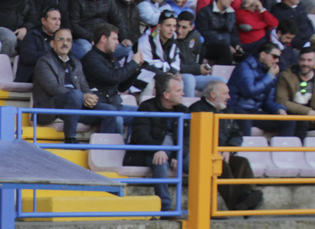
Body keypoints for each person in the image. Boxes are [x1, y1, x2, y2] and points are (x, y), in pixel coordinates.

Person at [33, 28, 122, 145]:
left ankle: (102, 148)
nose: (65, 43)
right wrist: (82, 96)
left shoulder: (75, 63)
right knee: (75, 94)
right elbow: (53, 88)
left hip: (76, 105)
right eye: (61, 39)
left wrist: (90, 96)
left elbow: (84, 86)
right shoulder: (44, 62)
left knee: (110, 111)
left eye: (68, 40)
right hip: (52, 107)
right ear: (52, 43)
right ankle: (70, 138)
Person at [189, 80, 264, 211]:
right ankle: (237, 204)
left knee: (242, 162)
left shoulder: (227, 110)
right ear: (212, 94)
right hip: (204, 155)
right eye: (225, 94)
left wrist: (229, 149)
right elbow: (193, 136)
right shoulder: (197, 110)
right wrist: (216, 152)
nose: (228, 97)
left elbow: (236, 133)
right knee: (221, 165)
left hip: (223, 153)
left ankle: (249, 195)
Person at [125, 72, 189, 211]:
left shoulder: (183, 110)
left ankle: (204, 208)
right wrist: (157, 149)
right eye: (178, 91)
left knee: (201, 164)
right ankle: (166, 207)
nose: (183, 93)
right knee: (159, 162)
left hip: (176, 154)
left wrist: (178, 155)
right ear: (166, 94)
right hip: (148, 153)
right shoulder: (147, 107)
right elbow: (140, 135)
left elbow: (188, 138)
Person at [227, 42, 297, 137]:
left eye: (278, 58)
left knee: (289, 122)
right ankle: (242, 151)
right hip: (236, 108)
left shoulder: (270, 72)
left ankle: (281, 151)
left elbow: (268, 101)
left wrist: (279, 109)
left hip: (254, 111)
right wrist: (269, 76)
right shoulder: (245, 67)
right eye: (274, 56)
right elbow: (249, 91)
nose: (277, 61)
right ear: (263, 54)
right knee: (244, 119)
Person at [82, 23, 143, 123]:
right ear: (104, 38)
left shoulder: (111, 58)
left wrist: (135, 69)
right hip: (99, 108)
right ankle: (108, 139)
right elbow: (113, 77)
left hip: (116, 106)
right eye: (114, 39)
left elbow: (121, 87)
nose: (117, 42)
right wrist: (133, 63)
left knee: (145, 113)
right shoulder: (91, 59)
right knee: (116, 119)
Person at [276, 45, 315, 140]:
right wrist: (308, 112)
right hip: (291, 114)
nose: (305, 63)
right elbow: (282, 101)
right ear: (298, 60)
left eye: (309, 60)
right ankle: (300, 151)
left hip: (311, 116)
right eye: (302, 60)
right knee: (303, 121)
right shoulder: (286, 76)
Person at [177, 11, 225, 97]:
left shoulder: (195, 37)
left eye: (184, 27)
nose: (179, 30)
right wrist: (198, 69)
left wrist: (201, 68)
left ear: (191, 27)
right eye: (178, 26)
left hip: (194, 73)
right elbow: (175, 66)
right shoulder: (172, 38)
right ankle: (188, 109)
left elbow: (197, 59)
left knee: (221, 81)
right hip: (178, 75)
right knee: (189, 79)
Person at [134, 10, 181, 95]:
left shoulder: (174, 41)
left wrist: (172, 74)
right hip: (140, 74)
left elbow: (176, 62)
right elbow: (144, 65)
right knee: (149, 83)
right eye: (168, 25)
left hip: (163, 74)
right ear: (159, 26)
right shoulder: (146, 40)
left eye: (174, 26)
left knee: (178, 82)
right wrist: (165, 75)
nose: (172, 29)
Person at [69, 0, 133, 60]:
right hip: (85, 38)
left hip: (105, 37)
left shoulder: (109, 1)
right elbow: (74, 25)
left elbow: (118, 20)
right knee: (86, 50)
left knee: (128, 49)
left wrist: (124, 38)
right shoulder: (77, 2)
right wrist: (92, 38)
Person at [18, 6, 63, 83]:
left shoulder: (62, 38)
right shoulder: (32, 35)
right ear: (43, 21)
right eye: (54, 19)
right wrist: (52, 54)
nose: (57, 23)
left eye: (59, 19)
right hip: (32, 75)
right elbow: (28, 58)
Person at [196, 0, 240, 65]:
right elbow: (204, 34)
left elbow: (234, 33)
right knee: (225, 50)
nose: (232, 0)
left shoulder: (231, 13)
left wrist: (237, 45)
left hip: (226, 45)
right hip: (208, 46)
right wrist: (227, 45)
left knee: (247, 51)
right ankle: (222, 74)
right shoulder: (204, 12)